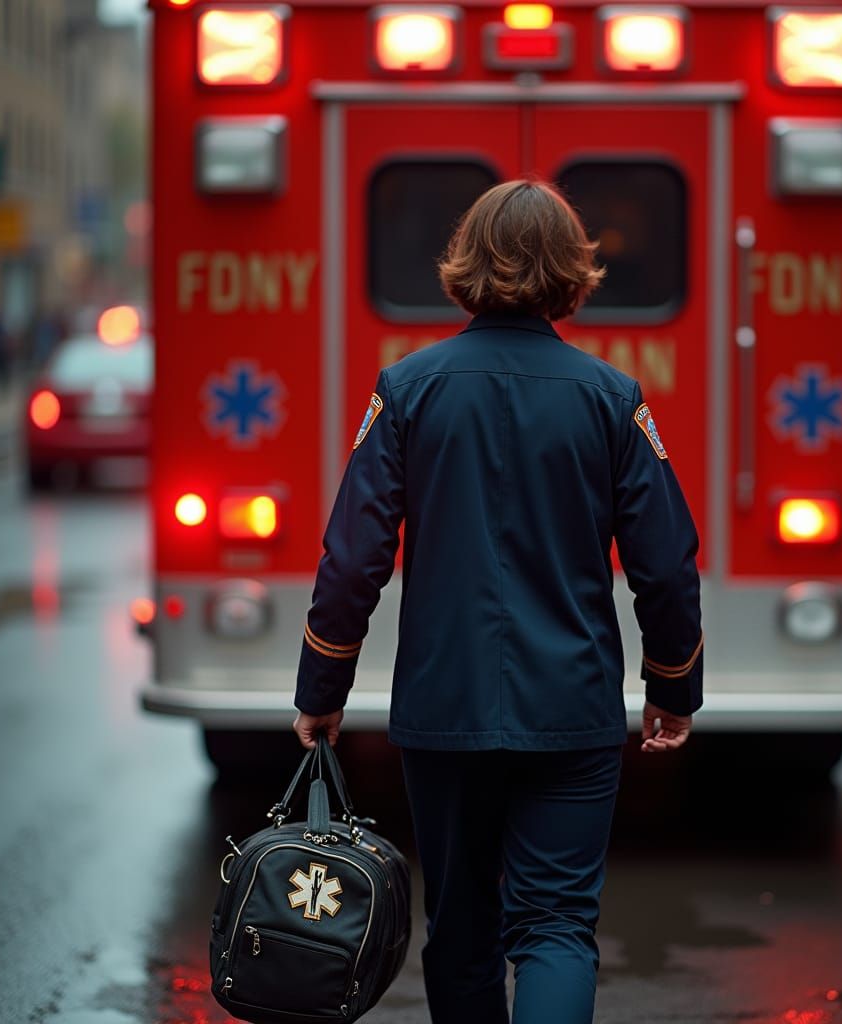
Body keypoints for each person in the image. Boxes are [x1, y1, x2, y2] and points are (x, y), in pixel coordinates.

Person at [292, 179, 704, 1024]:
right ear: (573, 272)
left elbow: (353, 559)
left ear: (464, 266)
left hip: (444, 708)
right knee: (555, 926)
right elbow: (665, 564)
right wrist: (673, 685)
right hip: (573, 707)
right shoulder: (612, 398)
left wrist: (321, 691)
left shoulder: (407, 390)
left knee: (462, 929)